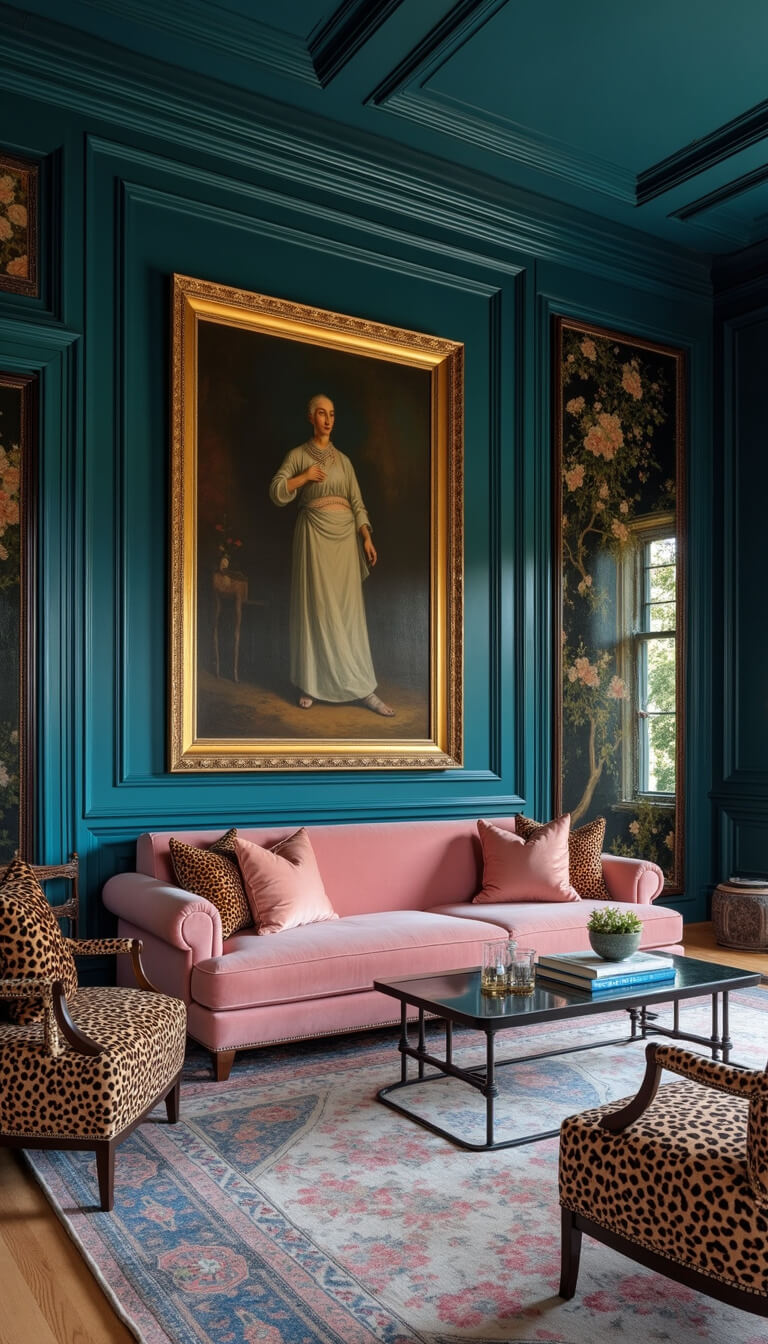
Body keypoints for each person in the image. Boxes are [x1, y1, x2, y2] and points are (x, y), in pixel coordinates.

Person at [269, 394, 394, 715]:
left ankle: (363, 687)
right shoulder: (297, 455)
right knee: (317, 608)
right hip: (313, 536)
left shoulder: (345, 461)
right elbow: (277, 492)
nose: (327, 419)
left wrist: (366, 537)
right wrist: (304, 477)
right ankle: (311, 683)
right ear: (310, 418)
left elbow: (357, 502)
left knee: (350, 613)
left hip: (345, 541)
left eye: (332, 414)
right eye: (321, 414)